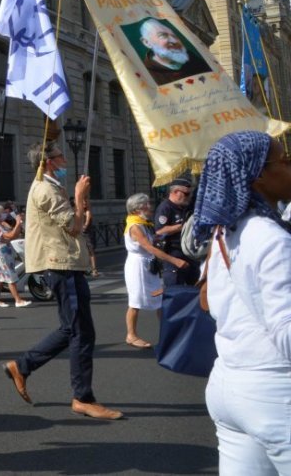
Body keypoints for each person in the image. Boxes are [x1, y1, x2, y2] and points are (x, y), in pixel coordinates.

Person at [2, 141, 122, 420]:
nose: (65, 159)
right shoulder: (45, 189)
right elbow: (74, 226)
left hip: (67, 264)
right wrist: (79, 198)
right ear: (49, 162)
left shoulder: (51, 186)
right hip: (61, 265)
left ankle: (22, 366)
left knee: (75, 329)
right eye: (60, 156)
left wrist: (79, 201)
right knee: (80, 331)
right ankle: (82, 397)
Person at [194, 131, 291, 474]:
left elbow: (210, 301)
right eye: (284, 160)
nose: (290, 166)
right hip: (275, 391)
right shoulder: (272, 239)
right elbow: (286, 331)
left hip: (228, 385)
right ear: (258, 174)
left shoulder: (225, 230)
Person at [121, 193, 188, 349]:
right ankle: (131, 335)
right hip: (137, 267)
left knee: (159, 299)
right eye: (147, 205)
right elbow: (149, 248)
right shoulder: (135, 226)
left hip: (148, 265)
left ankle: (169, 332)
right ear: (138, 208)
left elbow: (152, 242)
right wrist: (175, 261)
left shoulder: (143, 224)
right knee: (136, 301)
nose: (150, 207)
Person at [137, 17, 211, 85]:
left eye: (174, 36)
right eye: (163, 35)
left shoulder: (192, 59)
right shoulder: (146, 75)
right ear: (147, 42)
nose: (174, 41)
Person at [154, 178, 198, 285]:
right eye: (186, 194)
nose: (189, 197)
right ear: (175, 192)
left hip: (189, 253)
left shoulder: (186, 207)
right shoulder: (165, 207)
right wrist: (184, 226)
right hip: (173, 253)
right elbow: (160, 231)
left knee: (196, 288)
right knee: (175, 289)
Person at [0, 202, 30, 308]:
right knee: (9, 275)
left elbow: (14, 233)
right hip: (0, 254)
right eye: (0, 214)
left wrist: (18, 223)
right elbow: (11, 235)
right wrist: (17, 223)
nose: (2, 215)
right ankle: (18, 300)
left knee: (0, 278)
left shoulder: (0, 224)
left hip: (5, 252)